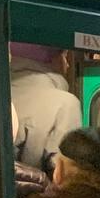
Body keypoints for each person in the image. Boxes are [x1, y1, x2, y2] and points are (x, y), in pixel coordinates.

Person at [8, 43, 83, 172]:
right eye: (64, 56)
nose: (67, 64)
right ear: (53, 59)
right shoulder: (65, 104)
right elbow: (64, 172)